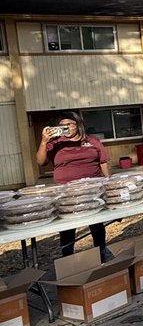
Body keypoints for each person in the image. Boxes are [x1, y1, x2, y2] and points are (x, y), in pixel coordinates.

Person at [36, 111, 112, 259]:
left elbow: (103, 161)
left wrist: (108, 182)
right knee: (67, 226)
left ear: (78, 125)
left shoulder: (92, 141)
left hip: (92, 190)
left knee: (96, 222)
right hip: (66, 192)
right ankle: (68, 257)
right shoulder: (56, 143)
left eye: (69, 124)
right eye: (62, 125)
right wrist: (44, 141)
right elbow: (40, 162)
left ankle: (101, 250)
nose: (66, 128)